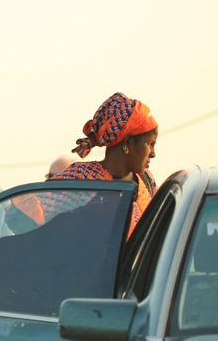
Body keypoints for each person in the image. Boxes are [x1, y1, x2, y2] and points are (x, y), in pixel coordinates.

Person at [51, 91, 159, 236]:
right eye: (150, 144)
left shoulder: (147, 181)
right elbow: (24, 216)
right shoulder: (82, 178)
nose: (153, 153)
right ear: (128, 143)